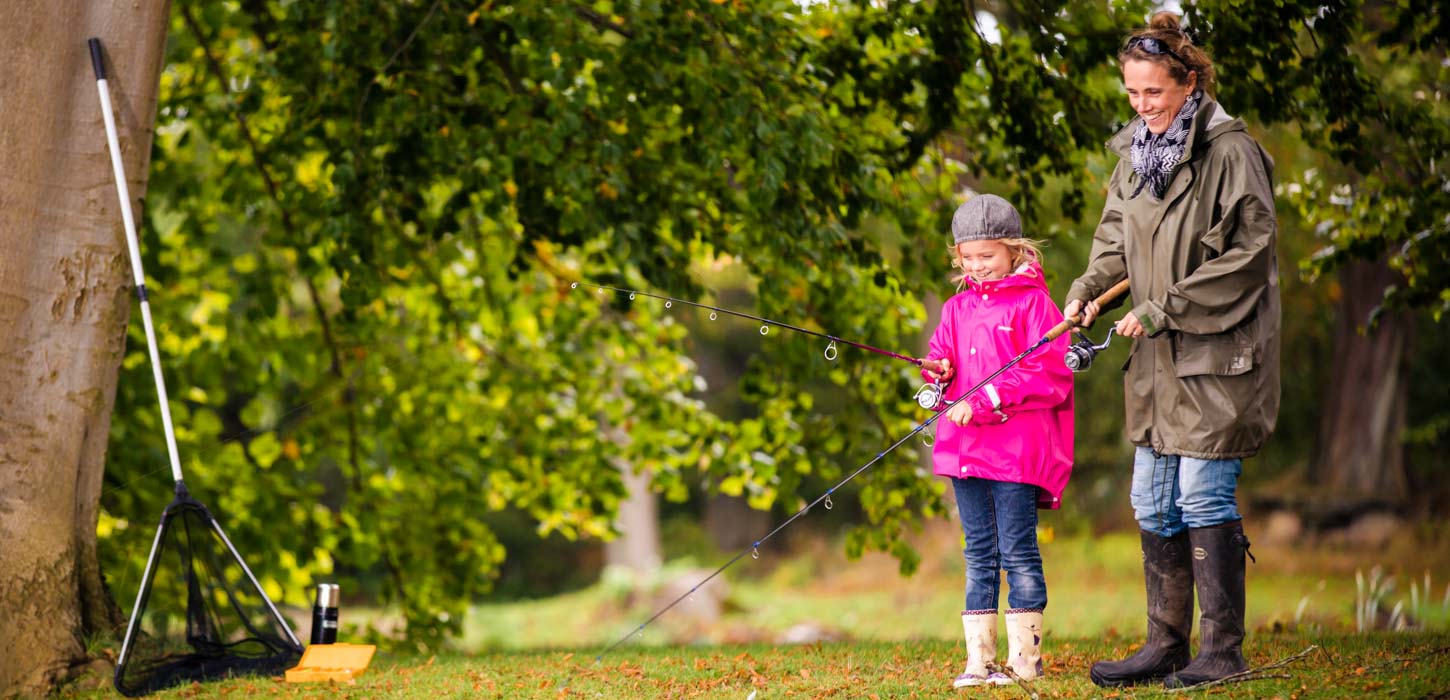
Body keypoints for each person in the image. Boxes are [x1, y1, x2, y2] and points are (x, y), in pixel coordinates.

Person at [1062, 11, 1281, 689]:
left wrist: (1163, 308)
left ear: (1189, 83)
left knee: (1201, 497)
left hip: (1217, 359)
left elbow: (1249, 256)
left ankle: (1223, 651)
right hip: (1156, 365)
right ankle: (1166, 645)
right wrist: (1088, 292)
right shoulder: (1134, 156)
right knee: (1153, 502)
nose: (1141, 104)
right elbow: (1114, 242)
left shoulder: (1231, 152)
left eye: (1152, 91)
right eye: (1132, 92)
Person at [920, 194, 1074, 689]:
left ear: (1014, 250)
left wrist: (987, 397)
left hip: (1015, 453)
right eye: (968, 257)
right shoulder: (955, 308)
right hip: (964, 450)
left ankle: (1025, 661)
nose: (977, 266)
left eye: (987, 255)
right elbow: (940, 355)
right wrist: (939, 370)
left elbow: (1050, 372)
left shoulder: (1035, 304)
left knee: (1018, 551)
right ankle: (979, 662)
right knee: (978, 552)